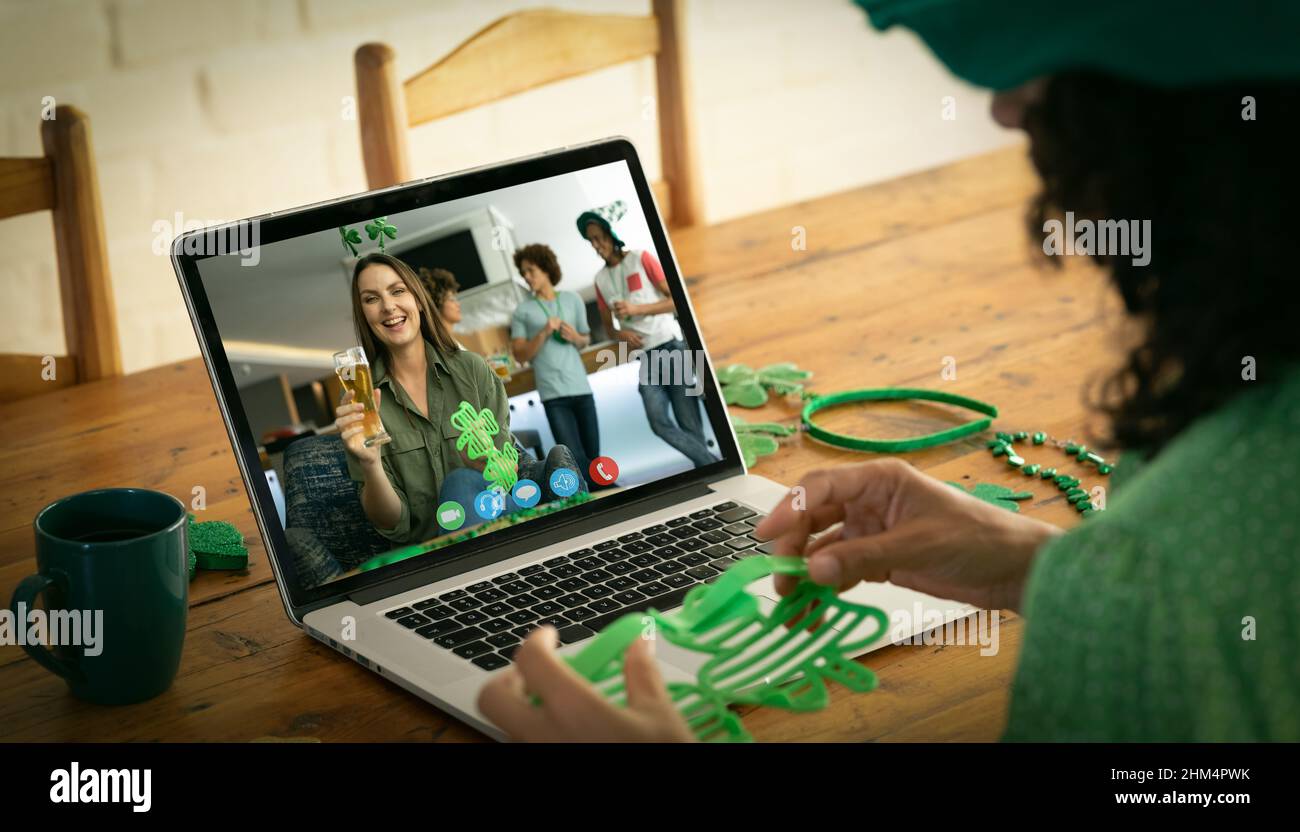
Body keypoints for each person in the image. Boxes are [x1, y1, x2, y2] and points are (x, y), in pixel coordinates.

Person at [477, 2, 1300, 741]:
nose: (1004, 108)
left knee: (677, 435)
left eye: (1048, 69)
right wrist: (1044, 570)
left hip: (647, 359)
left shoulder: (1190, 570)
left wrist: (1116, 593)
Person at [334, 253, 583, 544]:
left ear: (417, 299)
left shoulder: (472, 370)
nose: (388, 306)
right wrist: (370, 464)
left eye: (398, 291)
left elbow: (508, 476)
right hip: (432, 554)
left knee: (465, 482)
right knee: (459, 483)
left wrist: (485, 465)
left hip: (497, 524)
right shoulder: (361, 403)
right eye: (371, 299)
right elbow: (392, 523)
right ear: (363, 313)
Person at [579, 204, 718, 469]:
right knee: (658, 421)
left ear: (611, 234)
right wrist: (622, 334)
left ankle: (708, 471)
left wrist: (637, 309)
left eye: (598, 238)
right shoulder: (600, 281)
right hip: (647, 357)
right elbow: (609, 328)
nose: (595, 245)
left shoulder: (641, 258)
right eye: (591, 241)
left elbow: (677, 301)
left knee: (688, 423)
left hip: (671, 346)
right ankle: (711, 464)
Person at [509, 244, 602, 489]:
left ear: (546, 268)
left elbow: (585, 339)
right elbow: (519, 354)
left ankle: (604, 496)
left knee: (594, 455)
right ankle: (588, 501)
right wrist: (544, 332)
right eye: (523, 272)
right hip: (553, 395)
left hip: (581, 388)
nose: (527, 277)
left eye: (531, 270)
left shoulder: (572, 299)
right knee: (573, 458)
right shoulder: (522, 311)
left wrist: (575, 338)